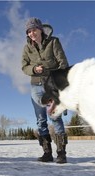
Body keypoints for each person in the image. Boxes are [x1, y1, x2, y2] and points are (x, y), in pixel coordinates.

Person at [21, 17, 69, 163]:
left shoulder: (53, 42)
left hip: (51, 85)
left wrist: (59, 84)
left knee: (55, 117)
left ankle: (61, 153)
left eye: (34, 30)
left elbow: (63, 63)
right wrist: (34, 69)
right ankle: (47, 152)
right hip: (36, 86)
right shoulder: (27, 48)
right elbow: (24, 67)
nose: (31, 33)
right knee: (40, 120)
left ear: (40, 29)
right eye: (29, 31)